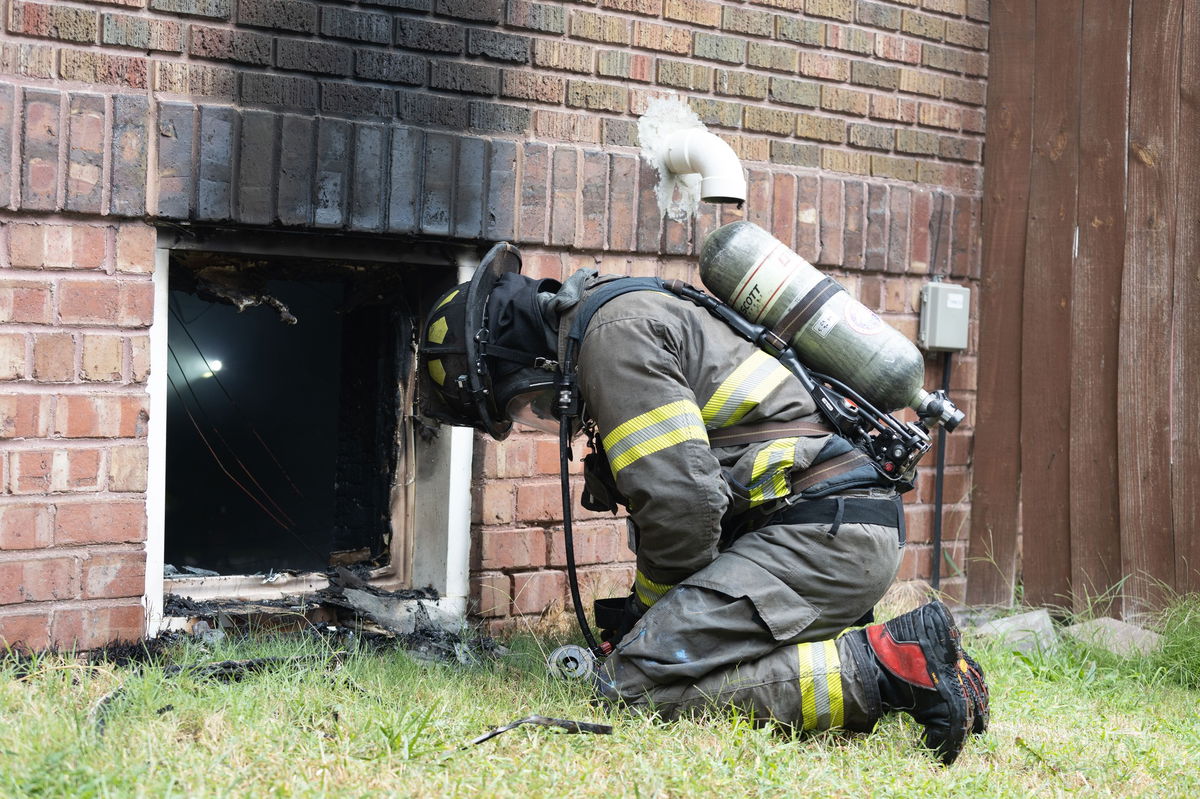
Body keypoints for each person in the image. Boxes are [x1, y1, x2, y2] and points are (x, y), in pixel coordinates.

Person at [420, 242, 989, 765]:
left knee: (635, 682)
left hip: (815, 540)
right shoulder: (625, 309)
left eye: (525, 403)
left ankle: (895, 667)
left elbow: (682, 506)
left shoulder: (612, 339)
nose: (541, 415)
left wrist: (649, 616)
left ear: (525, 358)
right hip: (832, 530)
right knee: (671, 655)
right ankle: (934, 663)